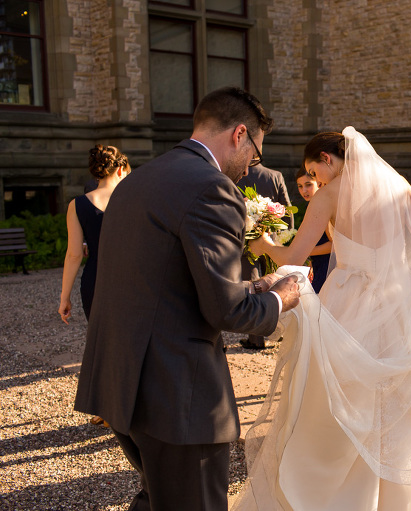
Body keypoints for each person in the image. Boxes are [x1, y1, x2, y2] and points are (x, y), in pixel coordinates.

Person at [73, 86, 300, 511]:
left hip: (120, 378)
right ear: (239, 135)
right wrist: (281, 299)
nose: (251, 166)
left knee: (156, 497)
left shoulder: (137, 179)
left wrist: (251, 286)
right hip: (175, 392)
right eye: (254, 154)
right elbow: (227, 310)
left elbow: (160, 277)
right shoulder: (212, 188)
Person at [231, 127, 411, 511]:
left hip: (350, 305)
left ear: (326, 160)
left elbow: (295, 255)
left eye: (314, 172)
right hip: (402, 307)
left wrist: (262, 244)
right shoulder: (400, 185)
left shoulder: (330, 195)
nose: (316, 180)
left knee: (336, 403)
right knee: (397, 410)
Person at [59, 144, 130, 428]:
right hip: (131, 280)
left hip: (95, 280)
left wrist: (64, 297)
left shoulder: (76, 205)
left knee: (103, 344)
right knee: (131, 343)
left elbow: (74, 254)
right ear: (121, 169)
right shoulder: (134, 198)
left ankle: (108, 408)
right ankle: (131, 408)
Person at [237, 163, 294, 349]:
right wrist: (287, 235)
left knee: (254, 285)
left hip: (248, 240)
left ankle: (256, 339)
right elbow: (286, 210)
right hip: (272, 240)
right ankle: (280, 334)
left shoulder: (236, 174)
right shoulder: (274, 175)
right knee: (278, 281)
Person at [295, 166, 332, 293]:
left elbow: (333, 245)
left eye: (308, 185)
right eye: (300, 186)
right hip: (317, 266)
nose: (304, 190)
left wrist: (305, 251)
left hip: (328, 268)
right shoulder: (312, 205)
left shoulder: (324, 207)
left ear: (319, 183)